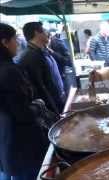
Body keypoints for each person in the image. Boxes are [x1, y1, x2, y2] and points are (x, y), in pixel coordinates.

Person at [0, 23, 48, 180]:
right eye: (15, 38)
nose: (18, 43)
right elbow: (23, 114)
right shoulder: (9, 71)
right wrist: (39, 105)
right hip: (24, 145)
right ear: (4, 42)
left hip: (7, 144)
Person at [19, 22, 66, 113]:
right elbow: (41, 87)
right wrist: (54, 110)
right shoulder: (31, 56)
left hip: (58, 99)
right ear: (37, 33)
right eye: (44, 30)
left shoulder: (42, 51)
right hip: (51, 106)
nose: (47, 33)